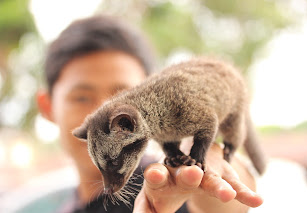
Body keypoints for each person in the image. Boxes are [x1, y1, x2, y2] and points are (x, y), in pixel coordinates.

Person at [35, 15, 263, 213]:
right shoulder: (53, 204)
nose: (100, 109)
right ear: (47, 107)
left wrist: (204, 165)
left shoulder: (160, 181)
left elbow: (216, 198)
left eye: (119, 92)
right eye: (82, 97)